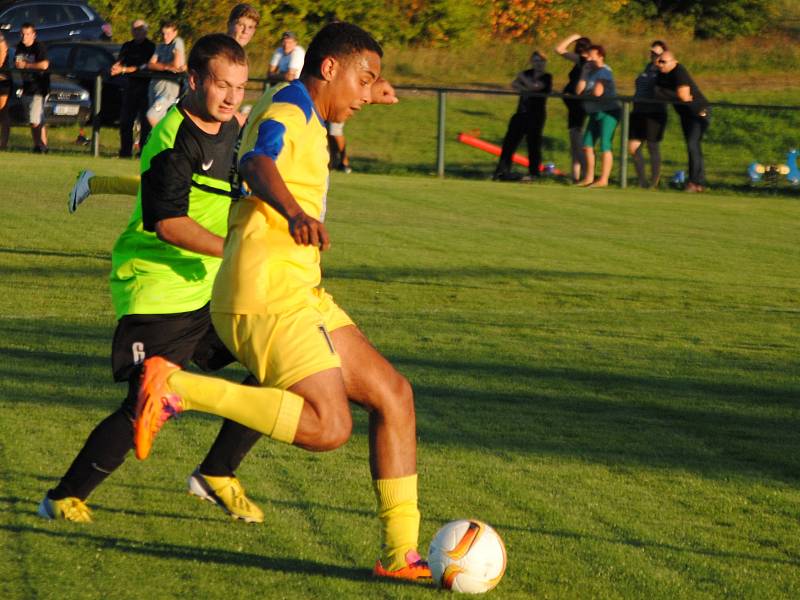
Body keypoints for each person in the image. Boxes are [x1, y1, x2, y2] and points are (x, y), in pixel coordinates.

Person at [132, 22, 429, 581]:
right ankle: (175, 388)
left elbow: (300, 129)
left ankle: (399, 556)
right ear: (328, 69)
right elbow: (256, 163)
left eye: (375, 85)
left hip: (297, 288)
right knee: (328, 427)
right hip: (265, 291)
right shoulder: (288, 110)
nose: (367, 94)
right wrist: (295, 213)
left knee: (394, 395)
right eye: (363, 81)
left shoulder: (306, 108)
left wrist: (375, 88)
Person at [40, 34, 267, 524]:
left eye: (240, 87)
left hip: (209, 290)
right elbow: (169, 224)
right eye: (221, 86)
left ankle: (217, 473)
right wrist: (240, 251)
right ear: (193, 81)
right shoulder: (171, 140)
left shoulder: (233, 125)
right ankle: (62, 497)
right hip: (159, 290)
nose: (232, 97)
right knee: (142, 405)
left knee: (277, 365)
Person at [68, 5, 259, 213]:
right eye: (240, 25)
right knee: (171, 185)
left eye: (250, 27)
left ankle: (94, 183)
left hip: (213, 132)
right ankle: (96, 184)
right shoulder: (216, 51)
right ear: (230, 24)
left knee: (186, 187)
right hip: (191, 127)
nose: (244, 31)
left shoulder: (238, 57)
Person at [655, 50, 710, 192]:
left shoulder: (679, 71)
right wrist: (675, 95)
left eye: (663, 61)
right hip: (685, 113)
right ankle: (699, 183)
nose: (660, 64)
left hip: (699, 111)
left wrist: (668, 94)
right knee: (693, 146)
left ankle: (694, 182)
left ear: (674, 62)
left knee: (693, 144)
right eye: (659, 61)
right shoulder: (661, 73)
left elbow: (684, 97)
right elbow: (657, 92)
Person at [493, 51, 552, 181]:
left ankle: (534, 173)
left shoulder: (547, 77)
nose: (539, 64)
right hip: (521, 112)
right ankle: (502, 171)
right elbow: (514, 84)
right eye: (536, 61)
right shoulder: (528, 73)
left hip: (536, 115)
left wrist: (523, 80)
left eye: (541, 61)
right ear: (532, 61)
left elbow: (535, 87)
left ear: (545, 63)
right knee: (509, 143)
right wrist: (526, 87)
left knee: (533, 144)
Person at [576, 44, 621, 188]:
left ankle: (603, 179)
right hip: (595, 112)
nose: (588, 58)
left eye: (591, 56)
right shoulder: (589, 72)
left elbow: (597, 92)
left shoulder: (604, 71)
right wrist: (583, 73)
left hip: (608, 112)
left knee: (604, 144)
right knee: (587, 145)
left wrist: (586, 94)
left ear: (600, 56)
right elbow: (578, 91)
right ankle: (589, 178)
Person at [110, 19, 156, 158]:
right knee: (126, 121)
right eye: (134, 29)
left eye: (140, 29)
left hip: (146, 88)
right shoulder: (127, 46)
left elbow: (144, 66)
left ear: (146, 31)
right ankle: (125, 152)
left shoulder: (150, 47)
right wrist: (116, 67)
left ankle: (144, 152)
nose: (136, 32)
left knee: (146, 124)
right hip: (130, 87)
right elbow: (120, 60)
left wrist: (124, 69)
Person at [628, 40, 668, 188]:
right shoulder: (647, 68)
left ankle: (654, 182)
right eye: (652, 53)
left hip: (654, 112)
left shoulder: (663, 71)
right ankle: (642, 181)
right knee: (633, 147)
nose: (654, 56)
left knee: (652, 146)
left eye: (657, 54)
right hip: (638, 110)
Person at [555, 33, 591, 183]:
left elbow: (559, 49)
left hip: (578, 104)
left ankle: (586, 174)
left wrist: (572, 36)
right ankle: (575, 176)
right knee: (574, 142)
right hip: (573, 105)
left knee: (577, 140)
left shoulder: (584, 61)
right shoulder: (581, 61)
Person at [15, 23, 49, 153]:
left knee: (34, 119)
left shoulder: (39, 47)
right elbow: (17, 62)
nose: (25, 37)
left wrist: (27, 65)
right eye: (23, 34)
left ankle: (38, 146)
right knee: (35, 119)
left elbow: (44, 65)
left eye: (28, 34)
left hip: (39, 87)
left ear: (34, 35)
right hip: (27, 86)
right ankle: (43, 146)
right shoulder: (20, 47)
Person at [146, 21, 186, 128]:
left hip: (168, 90)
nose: (165, 37)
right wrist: (166, 67)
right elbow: (150, 65)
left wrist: (159, 66)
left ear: (175, 33)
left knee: (152, 116)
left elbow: (176, 65)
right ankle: (163, 143)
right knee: (160, 119)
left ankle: (161, 138)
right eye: (163, 34)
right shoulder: (160, 47)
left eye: (168, 33)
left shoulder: (177, 42)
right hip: (155, 87)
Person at [0, 31, 10, 150]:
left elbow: (1, 61)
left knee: (2, 111)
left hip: (2, 81)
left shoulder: (1, 40)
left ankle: (3, 144)